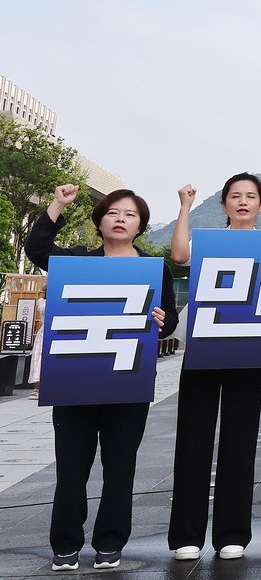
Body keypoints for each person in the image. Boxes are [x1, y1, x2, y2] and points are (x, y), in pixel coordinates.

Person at [26, 185, 176, 572]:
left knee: (120, 466)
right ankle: (65, 544)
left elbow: (169, 320)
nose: (120, 219)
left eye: (129, 214)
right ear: (100, 221)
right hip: (75, 380)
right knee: (71, 468)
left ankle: (110, 542)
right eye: (112, 212)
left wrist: (162, 323)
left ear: (140, 224)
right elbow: (37, 251)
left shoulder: (154, 269)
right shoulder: (77, 261)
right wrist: (57, 203)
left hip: (127, 382)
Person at [167, 174, 261, 561]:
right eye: (235, 196)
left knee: (239, 444)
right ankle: (186, 536)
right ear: (224, 203)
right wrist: (184, 208)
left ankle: (232, 534)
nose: (242, 202)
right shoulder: (208, 241)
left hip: (249, 350)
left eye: (250, 196)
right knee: (193, 440)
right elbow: (178, 256)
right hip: (204, 350)